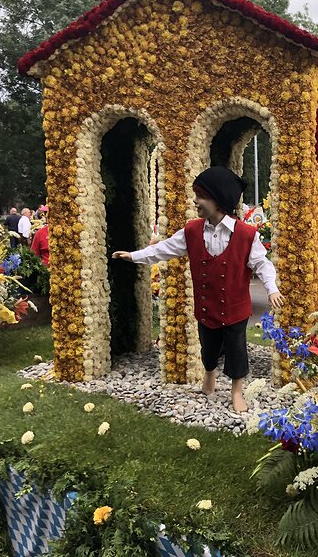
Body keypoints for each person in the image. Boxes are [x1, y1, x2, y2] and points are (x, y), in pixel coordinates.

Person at [112, 166, 283, 412]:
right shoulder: (192, 230)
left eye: (201, 196)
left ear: (219, 200)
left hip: (235, 308)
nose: (195, 201)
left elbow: (262, 264)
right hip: (207, 305)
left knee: (236, 349)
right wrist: (135, 256)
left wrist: (272, 288)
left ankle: (236, 391)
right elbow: (164, 248)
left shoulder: (246, 235)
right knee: (208, 344)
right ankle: (209, 375)